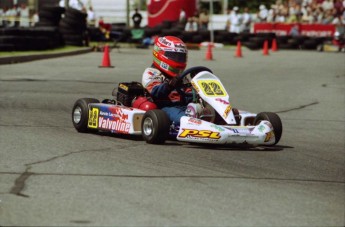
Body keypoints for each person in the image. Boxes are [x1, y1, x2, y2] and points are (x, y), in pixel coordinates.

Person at [142, 36, 190, 126]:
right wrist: (169, 85)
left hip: (182, 105)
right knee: (183, 119)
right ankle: (190, 125)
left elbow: (188, 92)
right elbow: (155, 92)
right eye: (174, 56)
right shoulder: (151, 73)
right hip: (164, 107)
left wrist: (197, 92)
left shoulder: (180, 76)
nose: (178, 60)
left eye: (180, 57)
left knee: (209, 111)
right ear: (159, 54)